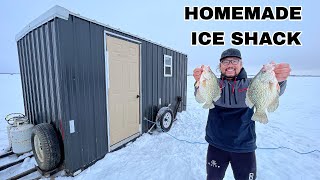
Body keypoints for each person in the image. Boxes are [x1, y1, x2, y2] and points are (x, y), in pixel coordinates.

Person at [193, 48, 291, 180]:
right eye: (225, 61)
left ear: (241, 64)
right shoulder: (213, 82)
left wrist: (280, 80)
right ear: (220, 66)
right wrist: (198, 82)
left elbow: (275, 91)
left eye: (234, 61)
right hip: (216, 145)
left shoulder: (252, 84)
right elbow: (200, 94)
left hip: (244, 147)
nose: (230, 64)